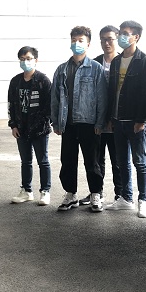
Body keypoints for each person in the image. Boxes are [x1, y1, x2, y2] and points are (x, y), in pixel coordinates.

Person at [50, 25, 108, 212]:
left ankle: (96, 193)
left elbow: (102, 97)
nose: (77, 44)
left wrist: (100, 122)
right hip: (67, 123)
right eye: (74, 40)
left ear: (88, 44)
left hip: (89, 123)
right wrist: (55, 121)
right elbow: (55, 98)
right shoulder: (62, 69)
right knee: (67, 161)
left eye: (81, 40)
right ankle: (71, 194)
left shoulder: (96, 68)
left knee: (92, 161)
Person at [106, 20, 146, 217]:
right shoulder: (116, 61)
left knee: (139, 161)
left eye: (126, 33)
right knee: (121, 161)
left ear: (136, 37)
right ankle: (126, 198)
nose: (122, 37)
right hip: (118, 120)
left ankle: (143, 200)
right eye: (121, 33)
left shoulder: (144, 61)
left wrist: (142, 119)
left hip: (135, 121)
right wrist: (110, 117)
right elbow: (111, 91)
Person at [8, 46, 52, 206]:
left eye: (28, 58)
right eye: (22, 59)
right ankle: (26, 191)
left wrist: (42, 123)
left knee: (43, 161)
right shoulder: (15, 81)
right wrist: (13, 125)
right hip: (21, 128)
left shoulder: (43, 80)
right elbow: (11, 105)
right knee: (25, 161)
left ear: (35, 60)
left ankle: (45, 191)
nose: (25, 62)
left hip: (39, 129)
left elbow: (49, 106)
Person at [91, 25, 123, 205]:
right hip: (97, 120)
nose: (106, 43)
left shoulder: (122, 62)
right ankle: (98, 192)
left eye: (110, 39)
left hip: (116, 120)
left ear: (116, 39)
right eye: (103, 39)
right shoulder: (95, 63)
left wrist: (112, 117)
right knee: (97, 159)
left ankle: (120, 194)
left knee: (117, 160)